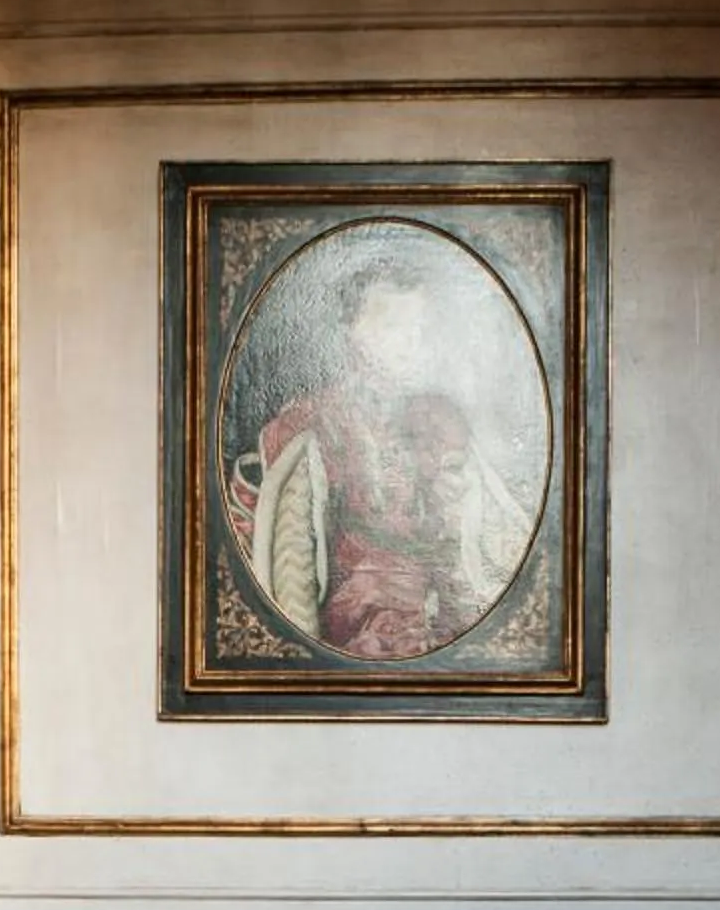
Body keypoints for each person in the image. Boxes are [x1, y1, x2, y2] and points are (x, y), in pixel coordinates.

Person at [226, 257, 538, 660]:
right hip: (351, 628)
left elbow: (490, 542)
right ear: (353, 332)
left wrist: (462, 508)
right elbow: (291, 571)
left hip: (444, 624)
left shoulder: (442, 420)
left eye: (418, 329)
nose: (411, 342)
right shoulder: (309, 426)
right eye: (393, 327)